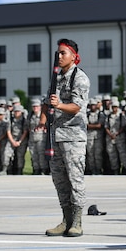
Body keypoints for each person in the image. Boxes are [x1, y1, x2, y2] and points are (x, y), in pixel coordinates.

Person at [41, 38, 91, 237]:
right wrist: (43, 118)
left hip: (73, 137)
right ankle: (66, 219)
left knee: (75, 179)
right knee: (59, 180)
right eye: (58, 53)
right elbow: (46, 101)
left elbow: (77, 107)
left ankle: (77, 221)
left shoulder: (80, 78)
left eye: (63, 53)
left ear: (74, 56)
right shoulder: (56, 77)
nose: (59, 57)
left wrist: (59, 105)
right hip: (55, 136)